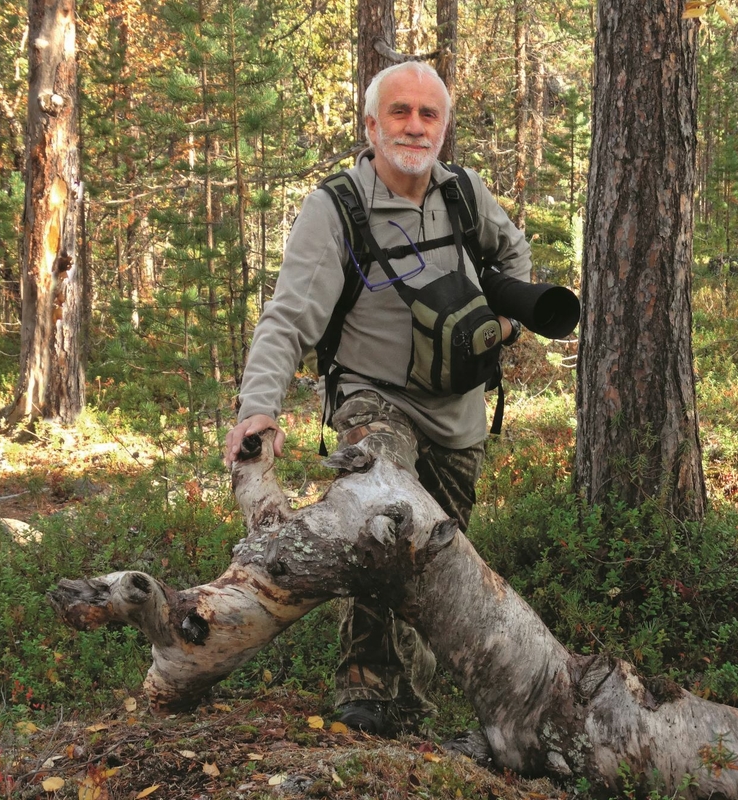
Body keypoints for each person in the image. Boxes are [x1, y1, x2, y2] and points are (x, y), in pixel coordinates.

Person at [224, 60, 532, 736]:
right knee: (380, 521)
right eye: (400, 112)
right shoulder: (336, 207)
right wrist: (259, 404)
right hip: (373, 401)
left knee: (436, 557)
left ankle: (408, 700)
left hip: (457, 412)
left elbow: (516, 262)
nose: (415, 126)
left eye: (429, 114)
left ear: (444, 128)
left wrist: (504, 325)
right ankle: (364, 692)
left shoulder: (466, 197)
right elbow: (290, 314)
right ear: (371, 124)